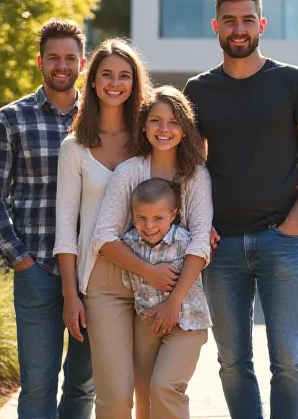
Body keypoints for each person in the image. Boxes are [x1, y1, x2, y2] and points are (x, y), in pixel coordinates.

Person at [183, 0, 298, 419]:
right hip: (221, 246)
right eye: (229, 20)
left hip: (281, 243)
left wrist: (293, 224)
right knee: (232, 362)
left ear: (261, 24)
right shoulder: (199, 90)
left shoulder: (293, 82)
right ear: (216, 26)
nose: (239, 28)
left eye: (248, 19)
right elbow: (190, 166)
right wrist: (197, 223)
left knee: (289, 360)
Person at [0, 18, 94, 419]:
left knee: (83, 386)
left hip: (93, 273)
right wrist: (20, 260)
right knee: (37, 384)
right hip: (37, 271)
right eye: (53, 58)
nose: (61, 66)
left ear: (82, 63)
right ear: (40, 62)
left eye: (69, 58)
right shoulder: (10, 119)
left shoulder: (102, 118)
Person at [88, 86, 213, 419]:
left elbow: (201, 239)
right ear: (143, 126)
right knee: (142, 397)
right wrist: (150, 273)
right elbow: (104, 236)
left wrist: (173, 301)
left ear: (185, 128)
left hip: (182, 304)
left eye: (173, 122)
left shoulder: (196, 175)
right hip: (141, 301)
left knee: (165, 387)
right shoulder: (130, 171)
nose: (163, 129)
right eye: (155, 121)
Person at [53, 38, 151, 378]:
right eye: (106, 74)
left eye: (124, 76)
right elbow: (66, 228)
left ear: (134, 83)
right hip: (97, 277)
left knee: (148, 382)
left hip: (151, 272)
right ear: (92, 81)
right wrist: (70, 295)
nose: (114, 83)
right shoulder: (74, 147)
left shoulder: (149, 139)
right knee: (106, 385)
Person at [121, 177, 211, 419]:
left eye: (158, 218)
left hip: (187, 323)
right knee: (144, 397)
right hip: (147, 323)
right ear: (133, 215)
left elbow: (203, 250)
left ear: (173, 215)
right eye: (141, 218)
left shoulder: (186, 241)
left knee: (165, 387)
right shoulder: (128, 244)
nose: (149, 226)